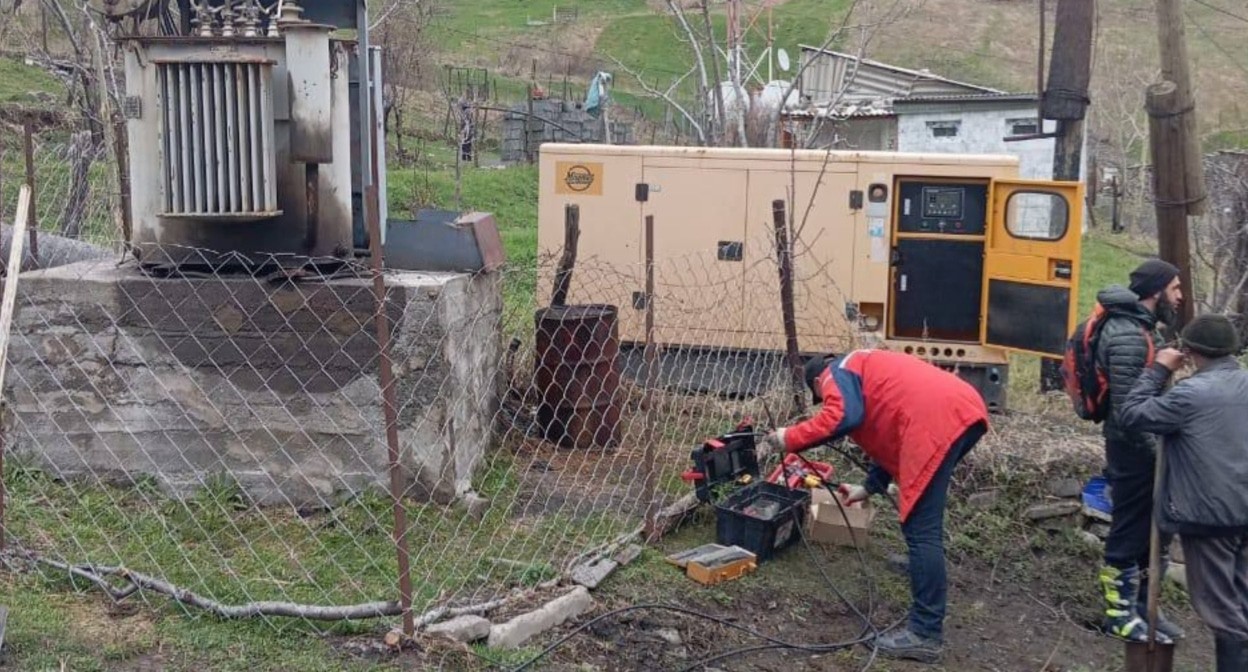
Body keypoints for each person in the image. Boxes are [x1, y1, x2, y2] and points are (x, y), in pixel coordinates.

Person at [759, 349, 988, 664]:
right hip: (959, 407)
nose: (824, 397)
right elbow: (889, 434)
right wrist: (868, 487)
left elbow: (842, 417)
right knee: (924, 515)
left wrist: (791, 437)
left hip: (934, 420)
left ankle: (925, 634)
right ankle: (921, 568)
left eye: (821, 395)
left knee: (921, 528)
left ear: (816, 380)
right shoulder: (865, 368)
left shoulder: (835, 372)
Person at [1117, 313, 1248, 672]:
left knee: (1223, 613)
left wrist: (1158, 370)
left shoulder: (1190, 395)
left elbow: (1131, 413)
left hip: (1209, 516)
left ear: (1189, 352)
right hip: (1242, 512)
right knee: (1243, 605)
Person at [1093, 258, 1186, 644]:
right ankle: (1118, 614)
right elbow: (1130, 411)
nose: (1180, 297)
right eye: (1175, 288)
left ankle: (1142, 608)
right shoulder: (1129, 335)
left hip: (1142, 446)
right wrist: (1158, 454)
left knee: (1147, 530)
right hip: (1132, 448)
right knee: (1128, 530)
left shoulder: (1141, 328)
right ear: (1155, 291)